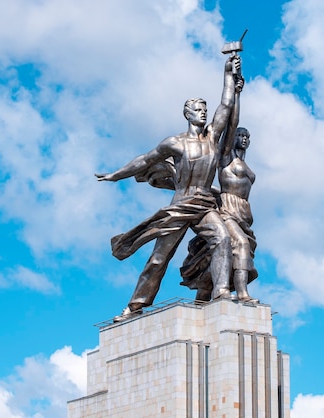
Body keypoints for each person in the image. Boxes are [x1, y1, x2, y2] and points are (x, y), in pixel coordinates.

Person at [95, 56, 242, 322]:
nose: (204, 113)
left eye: (205, 109)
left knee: (222, 240)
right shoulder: (174, 143)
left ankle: (221, 290)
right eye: (198, 109)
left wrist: (228, 73)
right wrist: (116, 175)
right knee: (158, 259)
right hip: (180, 205)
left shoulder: (212, 137)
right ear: (187, 113)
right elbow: (145, 159)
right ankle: (134, 306)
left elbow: (227, 104)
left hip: (204, 204)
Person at [180, 75, 258, 303]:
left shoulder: (246, 165)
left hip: (244, 213)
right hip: (228, 209)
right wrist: (236, 93)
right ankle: (242, 294)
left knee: (239, 251)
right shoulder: (226, 158)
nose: (242, 138)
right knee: (240, 245)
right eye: (240, 135)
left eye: (246, 136)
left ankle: (209, 289)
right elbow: (231, 122)